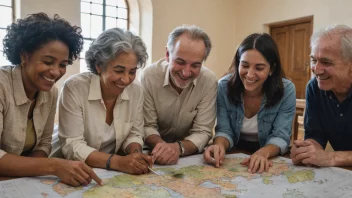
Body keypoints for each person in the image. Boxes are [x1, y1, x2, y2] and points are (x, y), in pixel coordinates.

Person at [0, 13, 102, 186]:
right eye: (48, 62)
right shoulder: (2, 86)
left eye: (62, 64)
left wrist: (26, 174)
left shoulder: (50, 93)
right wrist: (53, 166)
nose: (56, 72)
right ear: (24, 56)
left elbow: (44, 144)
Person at [58, 28, 153, 175]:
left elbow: (134, 134)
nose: (126, 79)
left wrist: (136, 154)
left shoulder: (136, 92)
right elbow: (73, 145)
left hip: (108, 172)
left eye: (132, 72)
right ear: (99, 65)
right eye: (119, 70)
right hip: (72, 170)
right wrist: (118, 162)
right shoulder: (75, 88)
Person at [204, 33, 296, 173]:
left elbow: (281, 136)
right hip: (235, 152)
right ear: (238, 63)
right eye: (245, 65)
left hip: (270, 154)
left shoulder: (287, 90)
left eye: (259, 68)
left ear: (271, 69)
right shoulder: (223, 86)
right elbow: (224, 130)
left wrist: (263, 153)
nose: (250, 74)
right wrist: (219, 145)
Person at [140, 25, 218, 165]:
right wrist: (163, 148)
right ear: (167, 55)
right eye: (180, 62)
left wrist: (177, 148)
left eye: (195, 65)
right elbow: (147, 125)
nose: (186, 72)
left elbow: (203, 131)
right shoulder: (149, 77)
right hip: (153, 152)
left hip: (189, 156)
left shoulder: (209, 81)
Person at [291, 25, 352, 167]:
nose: (316, 70)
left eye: (326, 62)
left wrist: (332, 158)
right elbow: (316, 135)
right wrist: (306, 150)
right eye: (313, 60)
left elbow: (330, 158)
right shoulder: (314, 88)